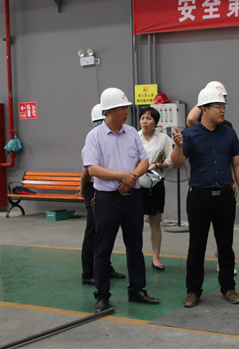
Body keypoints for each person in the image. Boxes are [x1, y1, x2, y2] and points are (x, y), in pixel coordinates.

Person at [82, 88, 160, 313]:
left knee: (135, 246)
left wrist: (132, 177)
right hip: (107, 199)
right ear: (109, 111)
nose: (126, 112)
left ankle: (137, 290)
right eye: (121, 108)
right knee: (102, 248)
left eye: (126, 108)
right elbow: (92, 168)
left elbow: (143, 160)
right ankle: (102, 295)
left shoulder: (132, 133)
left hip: (132, 198)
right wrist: (122, 176)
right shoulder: (94, 136)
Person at [171, 86, 239, 308]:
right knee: (197, 245)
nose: (223, 110)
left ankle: (228, 287)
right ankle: (193, 291)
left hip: (224, 196)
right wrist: (178, 146)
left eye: (224, 106)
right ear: (204, 109)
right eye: (218, 106)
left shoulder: (229, 133)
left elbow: (238, 163)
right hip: (199, 197)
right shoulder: (189, 135)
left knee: (226, 245)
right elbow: (177, 163)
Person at [79, 103, 126, 285]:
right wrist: (82, 188)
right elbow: (86, 172)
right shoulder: (92, 141)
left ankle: (106, 267)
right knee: (93, 230)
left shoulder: (116, 139)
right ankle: (88, 273)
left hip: (107, 187)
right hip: (94, 187)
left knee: (106, 231)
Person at [138, 106, 172, 271]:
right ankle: (136, 256)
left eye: (149, 118)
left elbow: (170, 160)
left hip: (155, 183)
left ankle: (156, 257)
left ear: (156, 122)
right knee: (134, 222)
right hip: (136, 182)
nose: (145, 121)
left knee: (155, 222)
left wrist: (157, 165)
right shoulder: (134, 137)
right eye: (142, 118)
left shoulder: (163, 138)